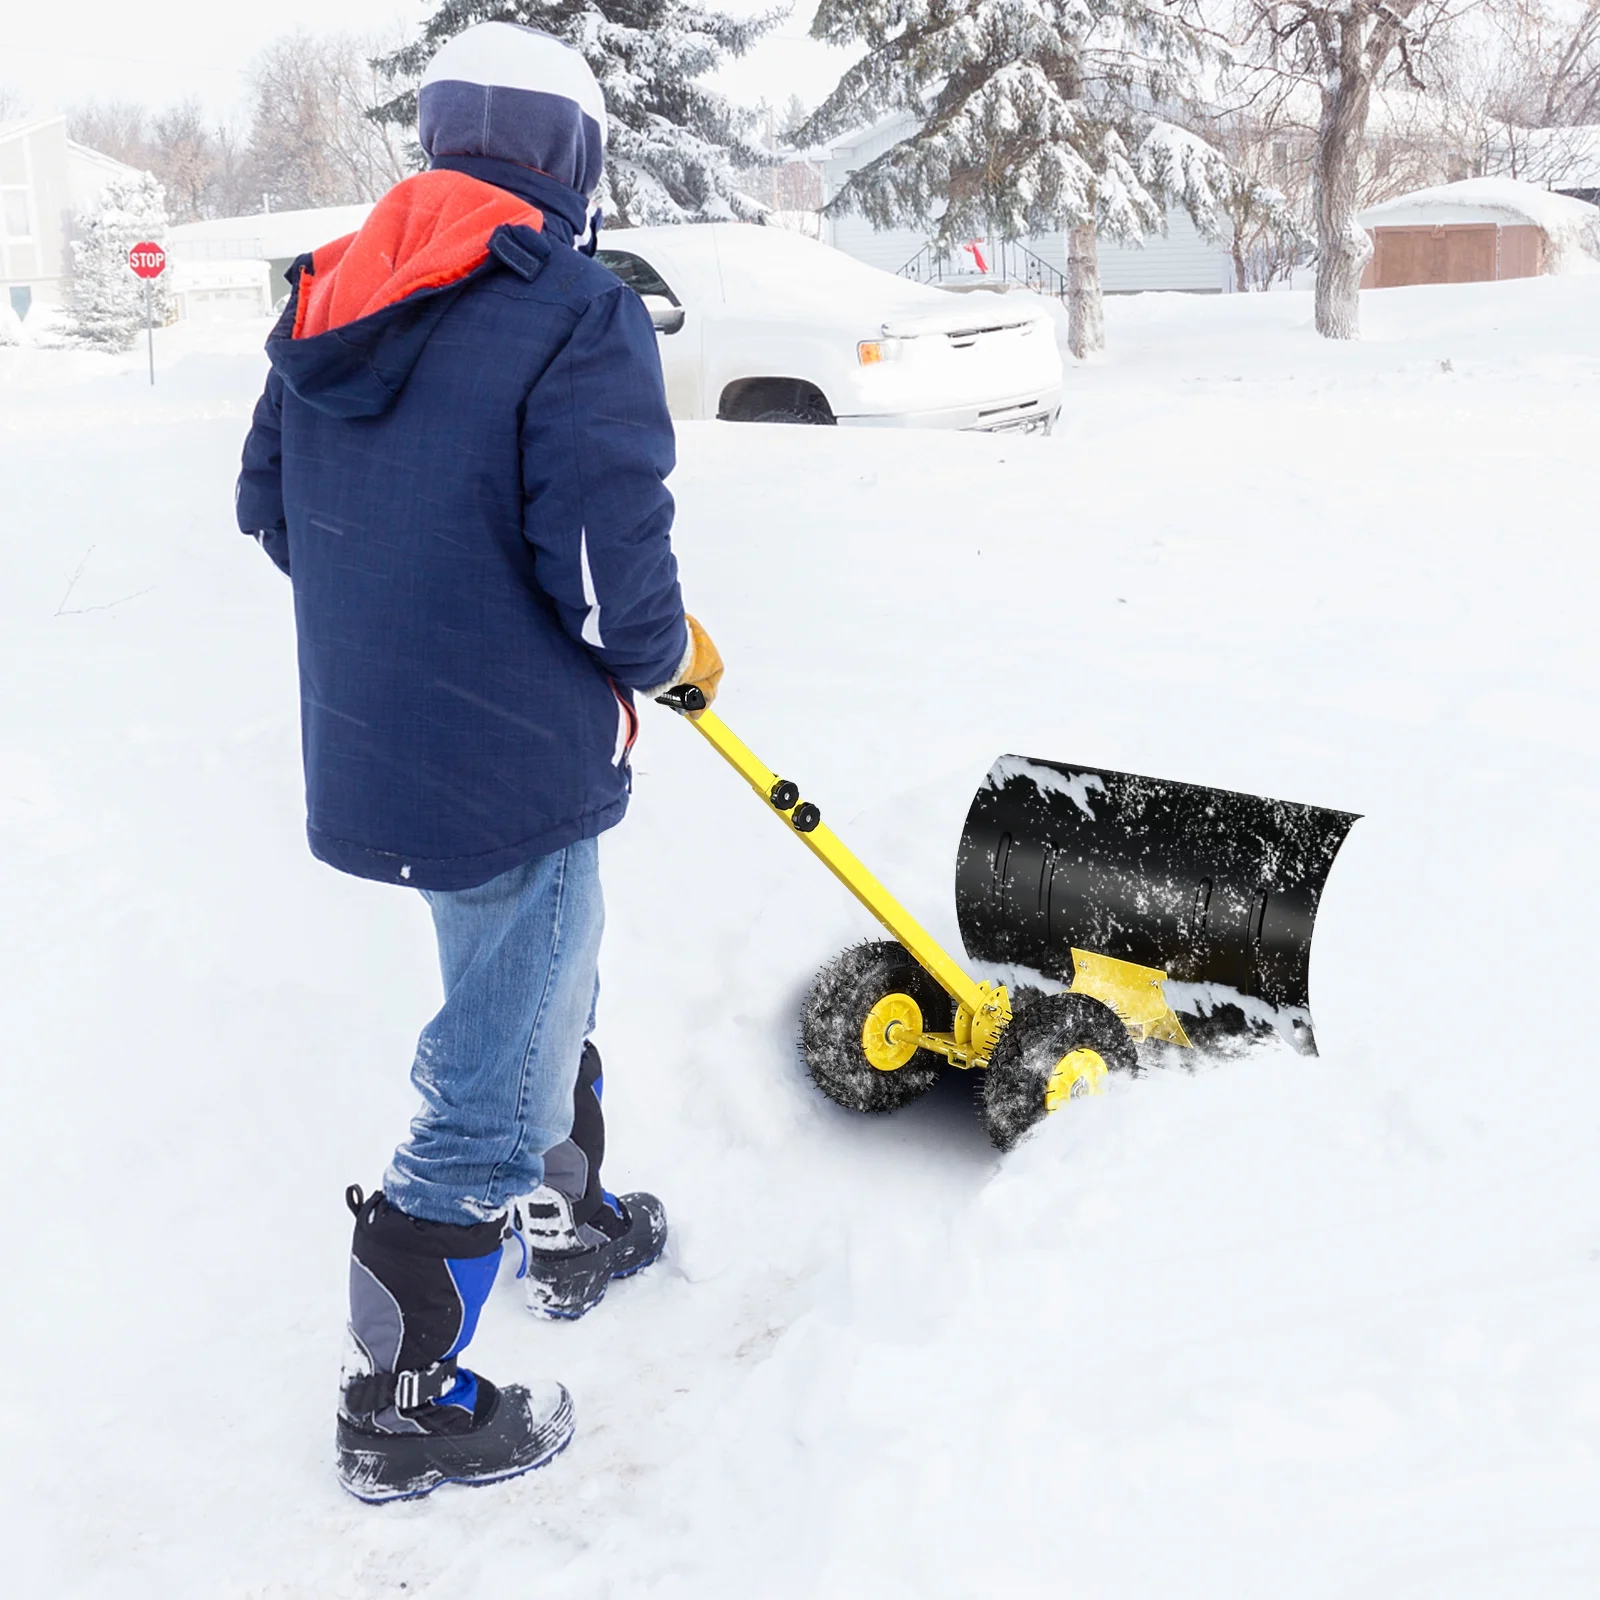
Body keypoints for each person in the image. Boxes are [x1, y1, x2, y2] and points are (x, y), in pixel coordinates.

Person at [234, 21, 723, 1503]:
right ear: (575, 156)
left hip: (384, 742)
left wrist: (404, 603)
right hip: (511, 750)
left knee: (530, 978)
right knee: (494, 1077)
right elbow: (596, 562)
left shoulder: (338, 286)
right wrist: (665, 650)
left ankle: (561, 1222)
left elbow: (268, 504)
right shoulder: (572, 305)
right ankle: (401, 1404)